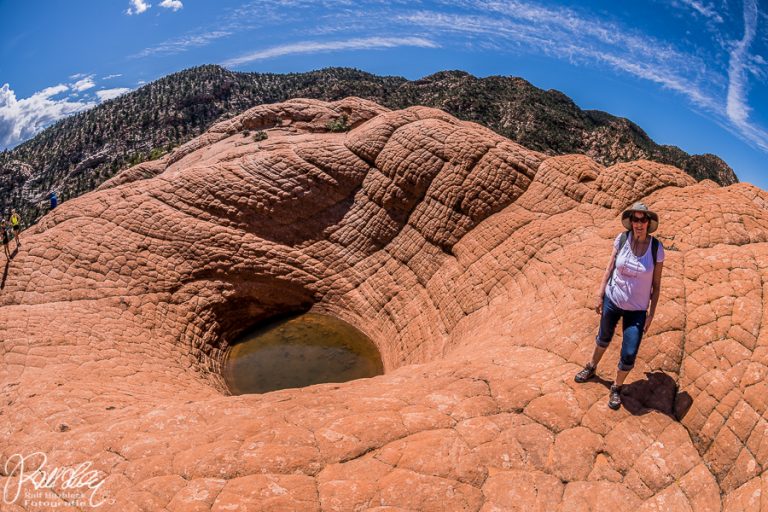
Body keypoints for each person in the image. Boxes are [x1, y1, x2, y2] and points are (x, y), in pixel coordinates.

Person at [574, 202, 665, 410]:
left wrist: (651, 314)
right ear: (631, 221)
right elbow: (609, 268)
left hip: (638, 310)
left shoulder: (656, 248)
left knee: (629, 352)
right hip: (612, 300)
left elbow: (657, 285)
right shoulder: (622, 238)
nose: (639, 224)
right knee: (603, 337)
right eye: (635, 219)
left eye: (643, 220)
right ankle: (591, 367)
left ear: (648, 223)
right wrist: (600, 294)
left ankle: (616, 387)